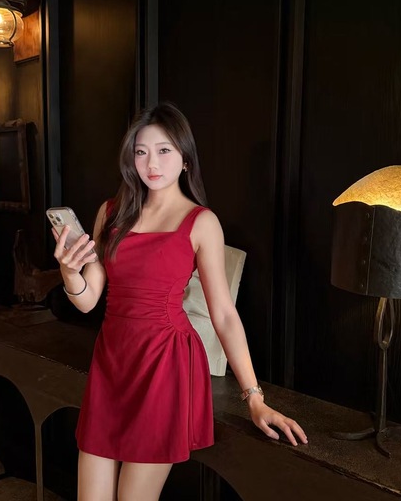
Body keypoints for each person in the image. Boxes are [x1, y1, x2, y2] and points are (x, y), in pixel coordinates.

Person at [51, 102, 308, 501]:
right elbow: (88, 301)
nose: (151, 163)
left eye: (164, 150)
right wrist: (69, 272)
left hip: (165, 366)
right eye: (141, 152)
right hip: (111, 362)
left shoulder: (201, 222)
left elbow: (224, 314)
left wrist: (254, 398)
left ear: (185, 158)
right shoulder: (111, 212)